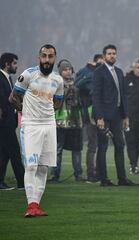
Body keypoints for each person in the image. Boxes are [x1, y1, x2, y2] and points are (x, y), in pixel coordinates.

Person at [9, 44, 64, 217]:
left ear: (55, 58)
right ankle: (30, 205)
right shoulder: (28, 74)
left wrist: (47, 111)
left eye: (50, 56)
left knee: (43, 168)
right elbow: (13, 97)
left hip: (49, 125)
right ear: (39, 57)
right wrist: (24, 110)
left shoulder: (58, 80)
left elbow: (59, 101)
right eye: (44, 56)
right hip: (31, 125)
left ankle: (36, 205)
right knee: (31, 166)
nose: (47, 60)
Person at [92, 44, 139, 187]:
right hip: (104, 116)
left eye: (114, 53)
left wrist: (125, 116)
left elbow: (123, 95)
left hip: (118, 116)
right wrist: (99, 117)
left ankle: (122, 178)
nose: (112, 55)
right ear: (104, 56)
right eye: (109, 53)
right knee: (103, 147)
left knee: (120, 145)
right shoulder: (99, 72)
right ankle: (104, 179)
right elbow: (96, 95)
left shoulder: (119, 72)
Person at [48, 59, 84, 183]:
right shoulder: (55, 85)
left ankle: (78, 175)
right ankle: (54, 175)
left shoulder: (77, 85)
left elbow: (81, 104)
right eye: (65, 70)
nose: (68, 72)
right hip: (59, 122)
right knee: (57, 150)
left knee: (77, 150)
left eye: (69, 69)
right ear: (60, 71)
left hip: (75, 122)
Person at [75, 54, 104, 183]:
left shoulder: (102, 75)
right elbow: (77, 85)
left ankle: (99, 173)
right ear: (94, 62)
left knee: (101, 145)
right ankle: (91, 174)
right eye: (99, 63)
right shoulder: (88, 73)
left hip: (102, 112)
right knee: (93, 145)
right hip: (91, 112)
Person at [0, 52, 25, 190]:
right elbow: (4, 100)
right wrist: (15, 105)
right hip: (4, 122)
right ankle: (22, 182)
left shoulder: (8, 78)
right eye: (14, 63)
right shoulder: (1, 78)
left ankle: (0, 181)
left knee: (4, 153)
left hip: (8, 121)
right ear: (7, 64)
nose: (16, 66)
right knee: (14, 151)